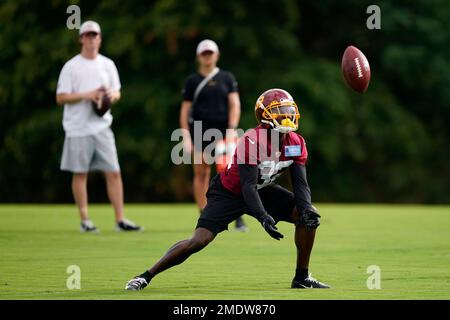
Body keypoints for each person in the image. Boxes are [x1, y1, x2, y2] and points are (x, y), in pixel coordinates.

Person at [125, 88, 330, 290]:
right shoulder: (252, 139)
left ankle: (302, 277)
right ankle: (146, 276)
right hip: (230, 192)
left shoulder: (296, 142)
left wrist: (307, 210)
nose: (286, 116)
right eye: (279, 111)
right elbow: (246, 186)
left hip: (263, 188)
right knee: (198, 240)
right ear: (264, 116)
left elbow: (300, 184)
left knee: (307, 217)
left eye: (288, 110)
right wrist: (263, 216)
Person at [56, 20, 142, 233]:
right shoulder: (72, 66)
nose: (91, 39)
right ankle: (85, 220)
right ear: (81, 39)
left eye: (94, 35)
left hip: (102, 126)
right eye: (87, 35)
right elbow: (60, 97)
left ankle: (120, 220)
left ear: (100, 39)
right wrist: (88, 95)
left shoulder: (107, 64)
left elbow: (117, 91)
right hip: (78, 127)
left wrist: (111, 96)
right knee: (80, 173)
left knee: (114, 172)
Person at [179, 39, 247, 231]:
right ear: (199, 56)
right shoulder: (192, 81)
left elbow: (234, 103)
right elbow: (185, 110)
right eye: (204, 53)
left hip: (224, 131)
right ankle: (204, 213)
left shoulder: (226, 77)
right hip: (199, 130)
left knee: (230, 174)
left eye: (210, 53)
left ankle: (237, 217)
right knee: (201, 172)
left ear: (216, 55)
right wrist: (185, 135)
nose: (207, 57)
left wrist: (232, 128)